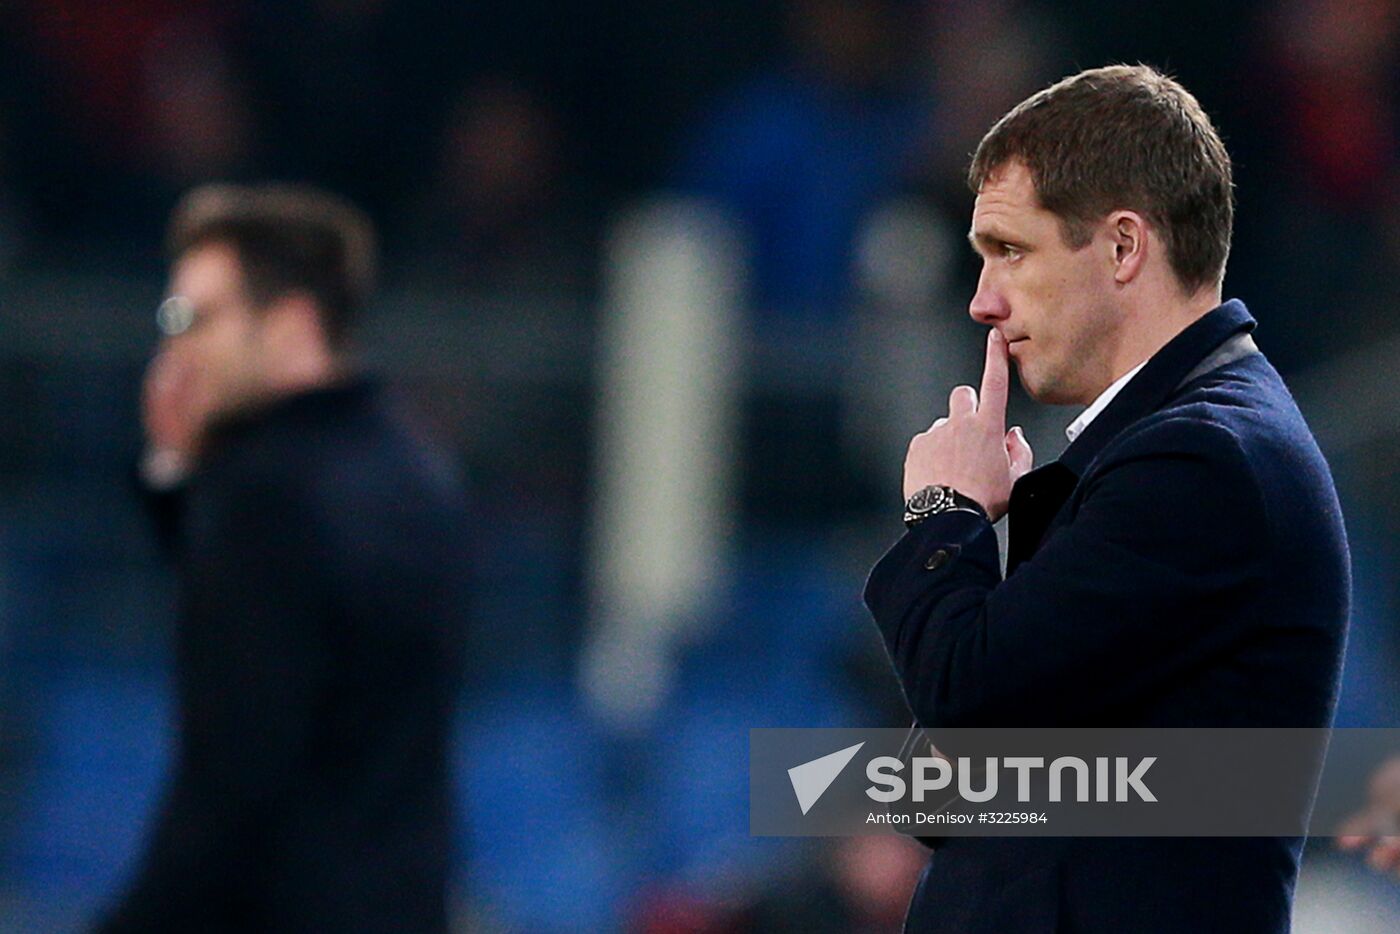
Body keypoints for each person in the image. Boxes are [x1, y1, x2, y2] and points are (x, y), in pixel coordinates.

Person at [863, 65, 1349, 932]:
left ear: (1124, 248)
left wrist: (946, 512)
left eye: (1010, 251)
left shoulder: (1202, 463)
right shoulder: (1164, 449)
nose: (982, 301)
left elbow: (964, 690)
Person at [96, 184, 473, 933]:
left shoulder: (263, 495)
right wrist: (179, 471)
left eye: (195, 319)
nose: (176, 348)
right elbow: (292, 630)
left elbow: (232, 788)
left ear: (292, 325)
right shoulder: (419, 473)